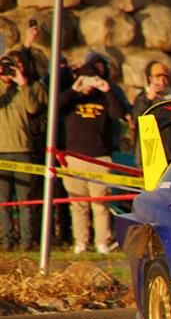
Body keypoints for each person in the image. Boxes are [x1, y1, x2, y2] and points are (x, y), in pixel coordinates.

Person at [59, 55, 128, 254]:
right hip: (74, 158)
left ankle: (102, 242)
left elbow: (118, 114)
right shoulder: (70, 99)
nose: (89, 85)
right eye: (85, 79)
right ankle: (80, 242)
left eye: (92, 80)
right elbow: (53, 107)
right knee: (77, 203)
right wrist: (74, 90)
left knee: (101, 203)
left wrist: (108, 91)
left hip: (100, 158)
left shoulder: (103, 98)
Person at [0, 52, 48, 251]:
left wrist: (22, 84)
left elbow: (33, 109)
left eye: (14, 66)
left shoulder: (29, 87)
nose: (9, 71)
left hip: (23, 150)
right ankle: (7, 241)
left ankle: (26, 242)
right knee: (2, 202)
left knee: (25, 200)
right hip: (1, 152)